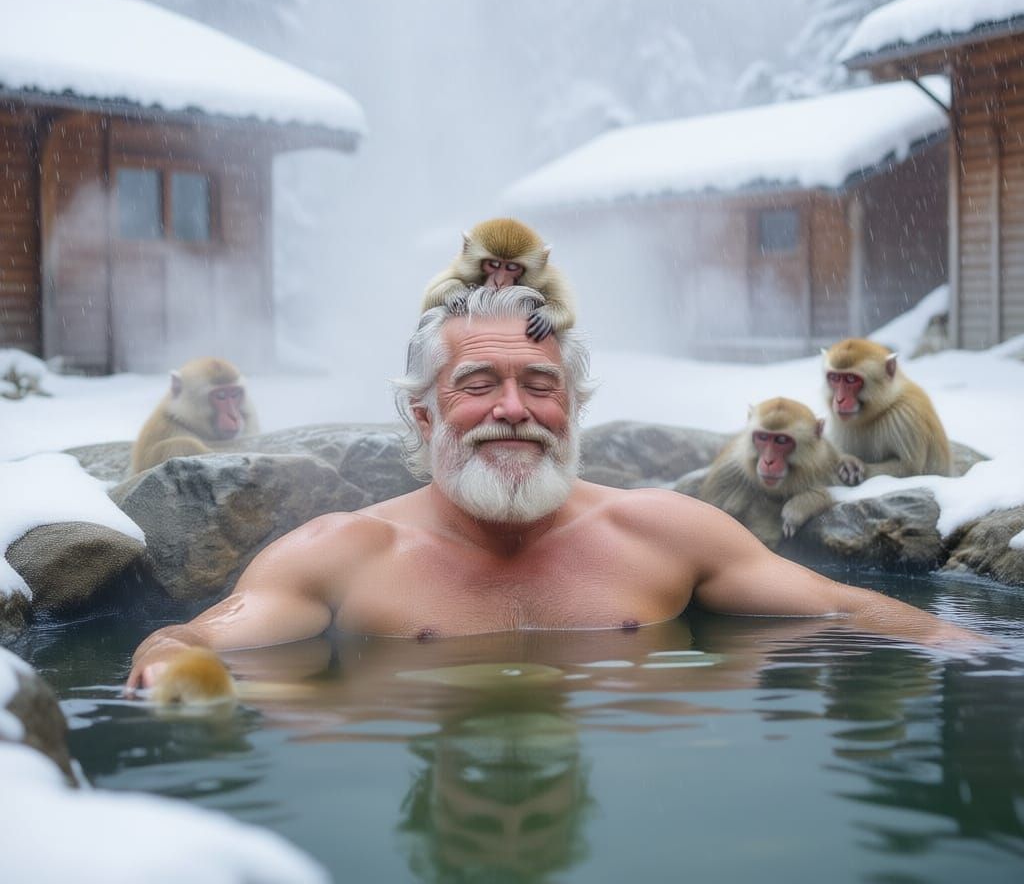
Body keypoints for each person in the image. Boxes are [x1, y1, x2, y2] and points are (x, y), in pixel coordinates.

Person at [127, 287, 984, 690]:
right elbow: (196, 641)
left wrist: (981, 657)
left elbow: (846, 608)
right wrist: (163, 658)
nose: (513, 410)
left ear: (573, 412)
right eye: (477, 385)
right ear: (424, 419)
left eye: (540, 386)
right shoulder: (342, 554)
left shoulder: (663, 531)